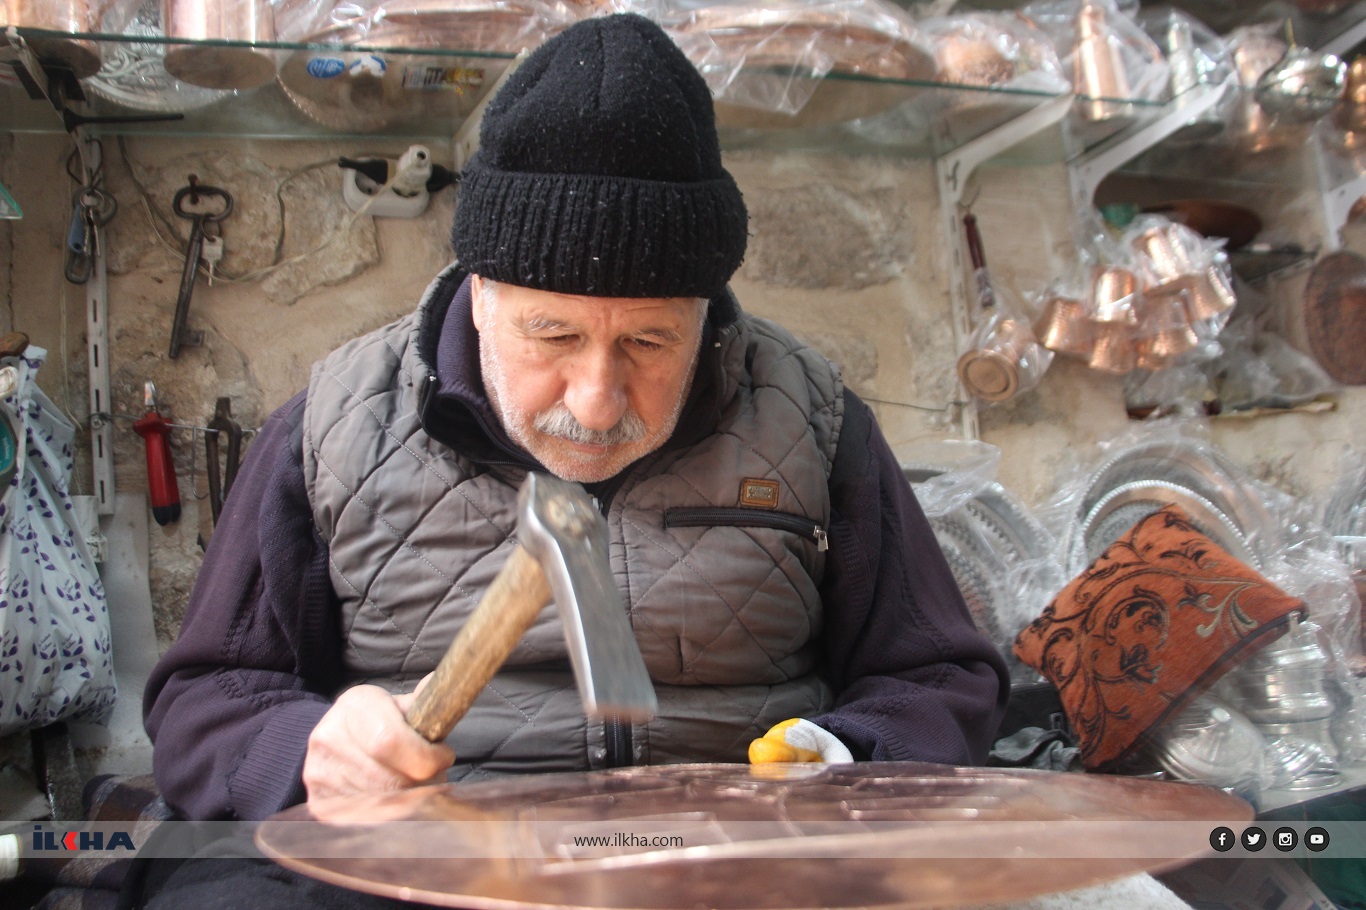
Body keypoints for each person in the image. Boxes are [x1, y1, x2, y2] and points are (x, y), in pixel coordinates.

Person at [140, 10, 1007, 886]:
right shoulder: (336, 423)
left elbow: (940, 678)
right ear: (481, 293)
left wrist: (851, 756)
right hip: (428, 874)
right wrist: (304, 753)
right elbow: (200, 706)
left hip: (723, 873)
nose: (596, 403)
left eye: (649, 342)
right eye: (553, 336)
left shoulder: (811, 418)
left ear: (706, 314)